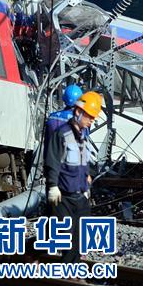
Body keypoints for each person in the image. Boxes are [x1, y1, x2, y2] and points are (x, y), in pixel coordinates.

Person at [45, 91, 102, 264]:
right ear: (78, 112)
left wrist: (87, 181)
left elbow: (82, 163)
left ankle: (73, 269)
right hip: (64, 196)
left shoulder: (82, 137)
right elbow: (52, 161)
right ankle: (70, 276)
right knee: (68, 237)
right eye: (90, 116)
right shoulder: (62, 134)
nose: (92, 121)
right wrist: (53, 186)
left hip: (80, 196)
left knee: (80, 237)